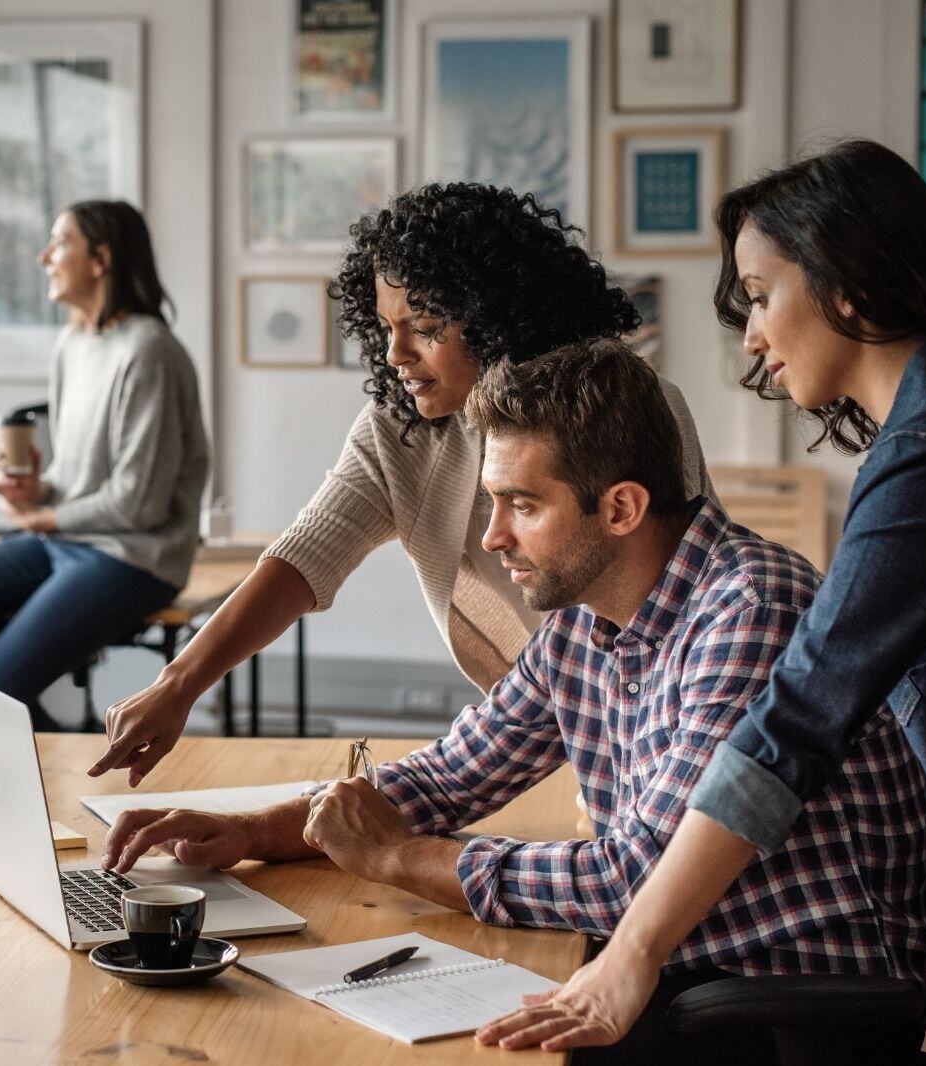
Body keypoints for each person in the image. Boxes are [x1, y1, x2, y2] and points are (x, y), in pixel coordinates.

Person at [482, 141, 926, 1064]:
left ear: (849, 282)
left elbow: (793, 722)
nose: (753, 338)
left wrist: (631, 955)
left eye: (762, 295)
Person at [102, 339, 926, 1065]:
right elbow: (453, 775)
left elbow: (630, 879)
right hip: (682, 969)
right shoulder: (590, 612)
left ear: (621, 508)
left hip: (781, 1004)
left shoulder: (749, 608)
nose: (494, 536)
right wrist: (258, 832)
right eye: (494, 501)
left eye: (523, 506)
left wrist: (400, 861)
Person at [90, 183, 710, 786]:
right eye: (386, 327)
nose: (394, 353)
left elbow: (675, 607)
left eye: (425, 326)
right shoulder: (401, 428)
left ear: (500, 315)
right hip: (527, 729)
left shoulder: (623, 410)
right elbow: (304, 557)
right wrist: (178, 686)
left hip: (654, 726)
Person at [0, 201, 209, 729]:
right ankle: (45, 738)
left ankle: (22, 734)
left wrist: (43, 518)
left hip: (133, 559)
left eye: (59, 243)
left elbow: (140, 503)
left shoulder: (149, 352)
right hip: (67, 543)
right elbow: (78, 480)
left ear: (100, 259)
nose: (44, 257)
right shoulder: (72, 345)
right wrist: (39, 490)